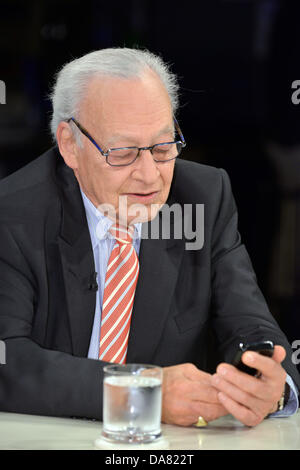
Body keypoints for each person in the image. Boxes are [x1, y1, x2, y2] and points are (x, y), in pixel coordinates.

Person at [0, 47, 299, 428]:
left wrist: (265, 382)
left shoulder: (203, 198)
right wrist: (141, 390)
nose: (150, 176)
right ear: (69, 145)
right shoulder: (13, 214)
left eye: (162, 148)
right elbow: (8, 360)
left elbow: (249, 324)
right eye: (123, 153)